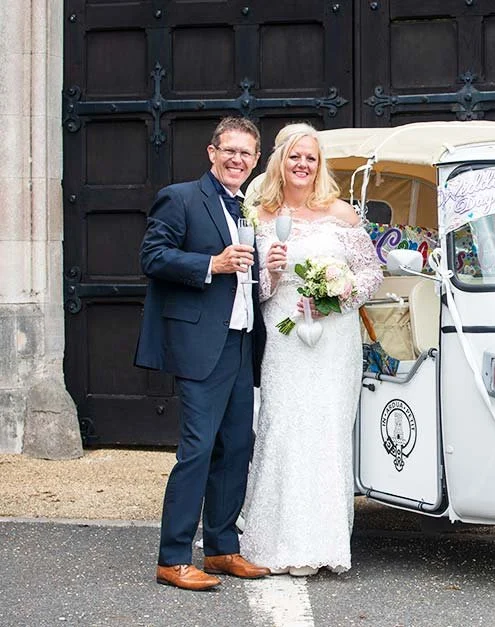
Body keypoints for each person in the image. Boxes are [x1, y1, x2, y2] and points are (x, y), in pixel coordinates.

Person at [239, 123, 383, 576]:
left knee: (324, 433)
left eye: (311, 158)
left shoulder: (341, 214)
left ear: (319, 166)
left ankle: (321, 543)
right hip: (283, 330)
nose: (303, 165)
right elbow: (254, 290)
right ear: (280, 160)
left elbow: (371, 274)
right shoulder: (258, 215)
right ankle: (274, 541)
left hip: (332, 336)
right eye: (295, 156)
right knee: (281, 425)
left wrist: (331, 299)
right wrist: (275, 274)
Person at [134, 116, 271, 591]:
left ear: (255, 161)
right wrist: (211, 264)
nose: (237, 160)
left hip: (241, 342)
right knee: (196, 450)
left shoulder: (249, 207)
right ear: (211, 152)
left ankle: (221, 548)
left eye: (246, 154)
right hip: (200, 346)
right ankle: (173, 558)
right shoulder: (182, 197)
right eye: (229, 150)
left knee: (237, 447)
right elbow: (152, 257)